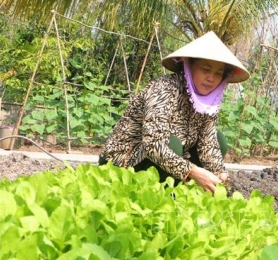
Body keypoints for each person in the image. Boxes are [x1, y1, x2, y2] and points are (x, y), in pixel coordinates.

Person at [98, 31, 250, 194]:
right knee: (172, 144)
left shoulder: (208, 102)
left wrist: (219, 174)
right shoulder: (163, 89)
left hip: (172, 162)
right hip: (123, 161)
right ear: (189, 67)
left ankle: (183, 191)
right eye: (205, 70)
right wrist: (192, 171)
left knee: (218, 140)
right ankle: (157, 193)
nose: (211, 78)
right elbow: (153, 145)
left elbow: (209, 143)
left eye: (218, 74)